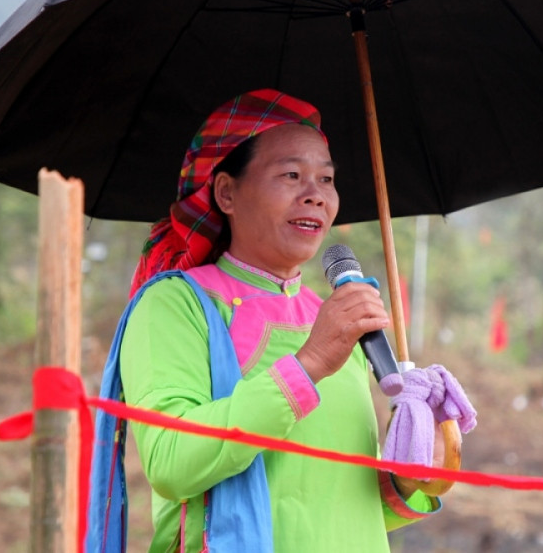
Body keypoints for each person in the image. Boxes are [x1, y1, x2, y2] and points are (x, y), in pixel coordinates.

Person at [88, 89, 441, 553]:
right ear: (227, 192)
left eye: (327, 179)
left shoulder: (332, 316)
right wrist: (309, 363)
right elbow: (172, 463)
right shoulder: (175, 304)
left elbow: (341, 504)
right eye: (292, 175)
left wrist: (419, 468)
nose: (315, 195)